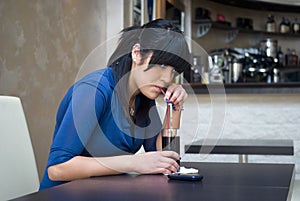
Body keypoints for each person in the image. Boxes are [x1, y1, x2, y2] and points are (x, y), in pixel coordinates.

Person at [39, 19, 192, 190]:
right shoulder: (94, 90)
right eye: (162, 65)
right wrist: (132, 163)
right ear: (137, 53)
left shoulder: (144, 97)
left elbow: (165, 159)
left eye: (173, 71)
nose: (167, 78)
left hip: (104, 192)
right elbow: (57, 169)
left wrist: (175, 109)